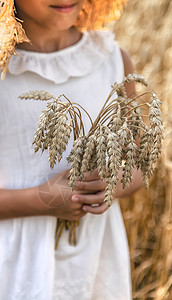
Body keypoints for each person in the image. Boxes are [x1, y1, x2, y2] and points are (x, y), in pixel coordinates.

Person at [0, 0, 142, 299]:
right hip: (14, 264)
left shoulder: (112, 59)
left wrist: (112, 182)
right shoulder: (4, 72)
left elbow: (140, 162)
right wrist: (39, 200)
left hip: (94, 260)